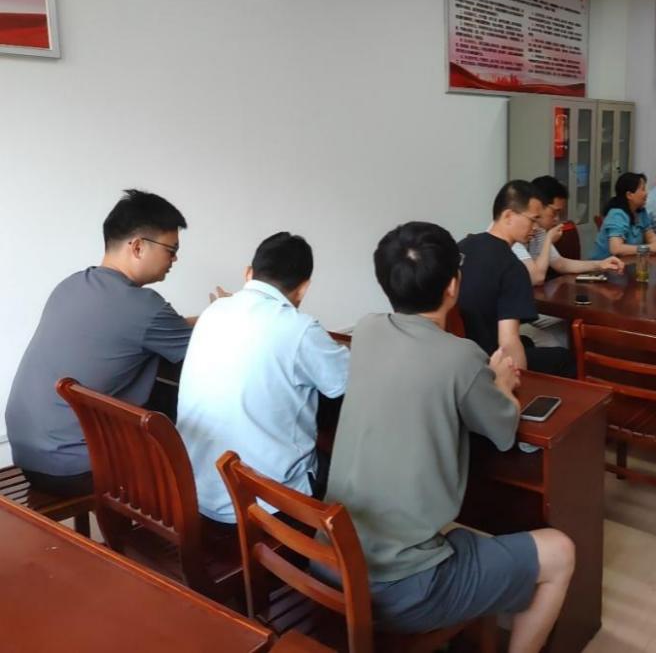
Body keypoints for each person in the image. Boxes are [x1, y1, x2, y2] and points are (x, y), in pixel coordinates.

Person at [322, 222, 575, 651]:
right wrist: (501, 384)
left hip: (331, 559)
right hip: (398, 587)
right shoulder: (461, 357)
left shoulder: (365, 330)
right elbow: (502, 429)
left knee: (462, 527)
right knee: (560, 552)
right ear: (453, 286)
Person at [5, 189, 196, 496]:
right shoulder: (144, 307)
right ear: (137, 246)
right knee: (187, 416)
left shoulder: (72, 285)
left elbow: (155, 328)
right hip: (75, 467)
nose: (174, 259)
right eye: (170, 250)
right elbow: (205, 351)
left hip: (30, 454)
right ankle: (201, 515)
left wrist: (204, 318)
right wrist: (228, 314)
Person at [175, 232, 349, 523]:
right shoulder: (299, 328)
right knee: (346, 466)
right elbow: (346, 383)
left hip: (197, 491)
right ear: (304, 288)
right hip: (263, 504)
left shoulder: (214, 310)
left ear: (249, 273)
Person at [458, 181, 574, 377]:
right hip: (489, 361)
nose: (536, 227)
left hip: (462, 354)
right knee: (564, 358)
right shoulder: (512, 266)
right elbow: (508, 342)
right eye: (532, 220)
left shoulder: (464, 245)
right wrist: (516, 386)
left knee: (527, 342)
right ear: (509, 216)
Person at [516, 175, 624, 286]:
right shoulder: (516, 236)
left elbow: (561, 264)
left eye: (559, 213)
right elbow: (537, 278)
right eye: (554, 212)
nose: (557, 219)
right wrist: (549, 240)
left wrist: (600, 264)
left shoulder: (539, 232)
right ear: (538, 206)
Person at [591, 172, 656, 260]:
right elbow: (616, 249)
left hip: (628, 262)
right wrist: (649, 248)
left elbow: (650, 237)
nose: (646, 193)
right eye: (643, 189)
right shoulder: (617, 215)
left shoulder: (641, 211)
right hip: (603, 266)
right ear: (629, 195)